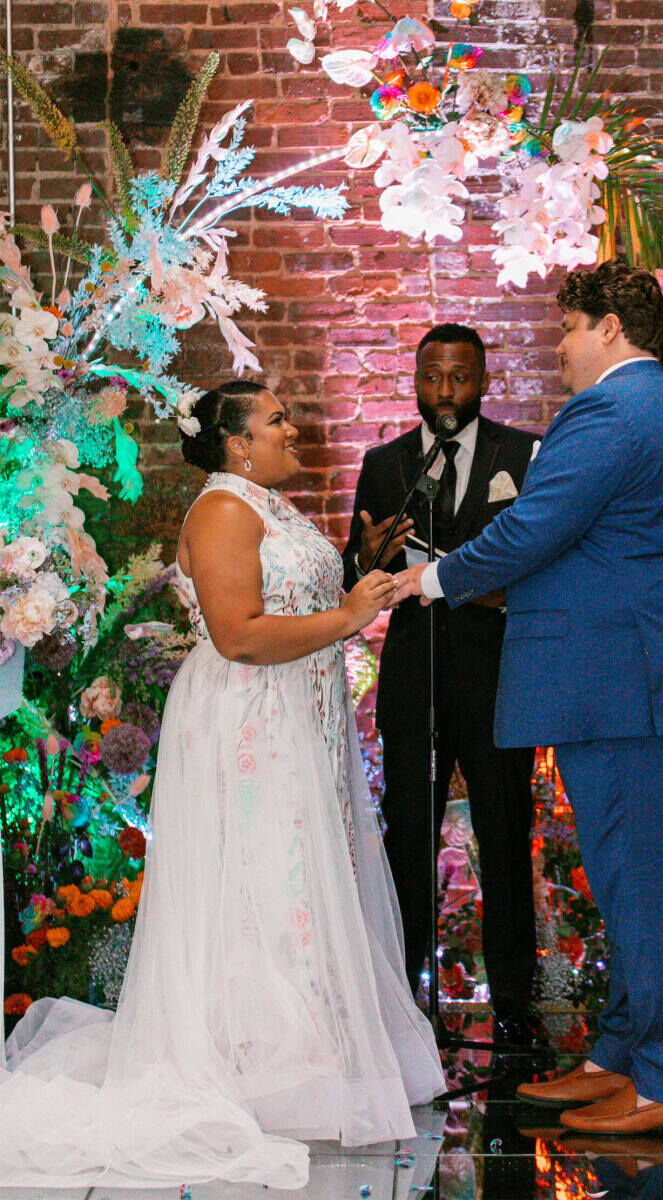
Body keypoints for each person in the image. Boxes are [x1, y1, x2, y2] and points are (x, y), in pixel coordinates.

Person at [0, 380, 444, 1189]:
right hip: (251, 719)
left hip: (296, 714)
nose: (291, 427)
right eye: (275, 419)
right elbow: (238, 633)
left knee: (302, 875)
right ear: (237, 442)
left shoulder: (266, 503)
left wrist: (359, 569)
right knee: (263, 875)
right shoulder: (221, 511)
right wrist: (349, 618)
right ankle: (261, 1060)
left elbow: (289, 595)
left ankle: (311, 1045)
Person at [394, 260, 663, 1135]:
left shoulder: (613, 411)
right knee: (628, 880)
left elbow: (535, 527)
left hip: (623, 685)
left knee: (641, 884)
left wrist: (434, 578)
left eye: (570, 330)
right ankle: (622, 1055)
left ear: (611, 329)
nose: (561, 348)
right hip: (638, 676)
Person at [342, 324, 542, 1046]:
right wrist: (363, 556)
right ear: (416, 380)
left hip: (497, 679)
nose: (446, 393)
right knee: (409, 839)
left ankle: (516, 1003)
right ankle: (403, 998)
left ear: (482, 379)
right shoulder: (386, 462)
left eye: (459, 378)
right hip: (413, 679)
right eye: (433, 379)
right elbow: (355, 578)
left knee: (504, 836)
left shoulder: (521, 456)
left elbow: (539, 563)